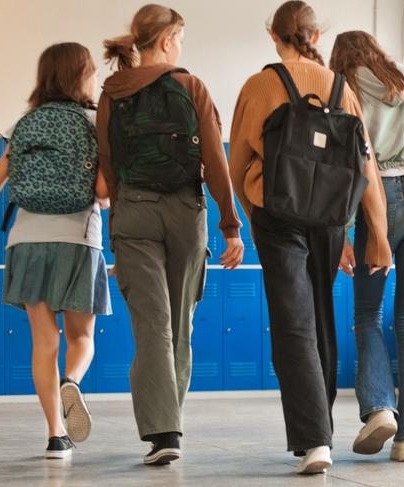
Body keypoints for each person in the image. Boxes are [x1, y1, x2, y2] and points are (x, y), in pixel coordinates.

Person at [229, 1, 392, 474]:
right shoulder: (341, 88)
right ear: (316, 37)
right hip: (329, 217)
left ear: (273, 36)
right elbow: (366, 167)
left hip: (277, 213)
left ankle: (313, 440)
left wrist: (248, 208)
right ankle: (320, 432)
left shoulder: (260, 85)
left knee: (292, 323)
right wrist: (376, 233)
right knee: (321, 316)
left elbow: (237, 161)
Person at [98, 3, 244, 465]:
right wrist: (231, 225)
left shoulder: (111, 92)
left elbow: (109, 167)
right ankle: (168, 427)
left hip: (133, 214)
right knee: (179, 323)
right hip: (185, 210)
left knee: (151, 326)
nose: (180, 47)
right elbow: (217, 166)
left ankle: (164, 433)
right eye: (179, 38)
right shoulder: (191, 85)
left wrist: (116, 230)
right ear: (167, 41)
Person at [330, 31, 404, 462]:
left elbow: (349, 162)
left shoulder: (347, 87)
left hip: (372, 203)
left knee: (366, 314)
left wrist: (342, 232)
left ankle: (380, 408)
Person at [0, 42, 111, 459]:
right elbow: (101, 192)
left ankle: (55, 435)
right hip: (78, 240)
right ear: (81, 75)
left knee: (44, 341)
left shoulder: (23, 124)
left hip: (25, 242)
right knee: (82, 337)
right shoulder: (97, 122)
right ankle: (73, 382)